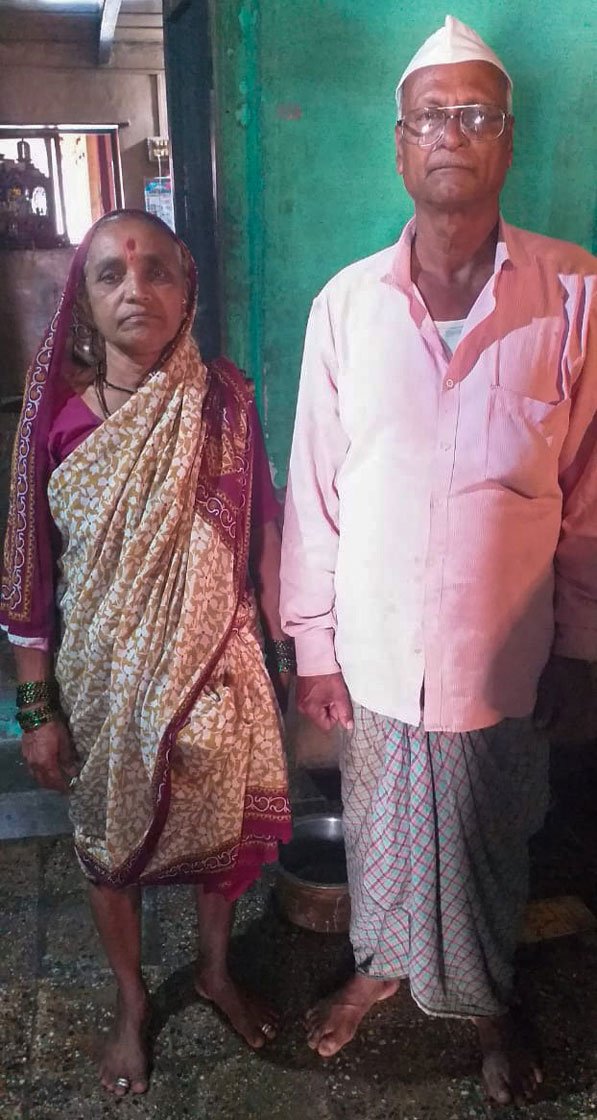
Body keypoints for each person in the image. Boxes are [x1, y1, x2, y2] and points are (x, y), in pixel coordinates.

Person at [280, 14, 597, 1106]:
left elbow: (592, 494)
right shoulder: (345, 306)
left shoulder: (573, 293)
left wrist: (585, 644)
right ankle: (379, 967)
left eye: (474, 116)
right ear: (398, 146)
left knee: (492, 837)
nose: (450, 134)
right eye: (430, 117)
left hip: (506, 651)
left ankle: (487, 999)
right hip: (373, 645)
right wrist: (312, 645)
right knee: (379, 829)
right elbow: (315, 494)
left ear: (507, 142)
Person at [1, 209, 294, 1096]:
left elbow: (265, 531)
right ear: (83, 307)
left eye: (157, 270)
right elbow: (30, 577)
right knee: (104, 844)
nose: (137, 288)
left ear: (187, 288)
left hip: (218, 662)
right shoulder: (55, 424)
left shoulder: (227, 402)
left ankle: (211, 971)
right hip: (100, 680)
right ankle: (132, 1003)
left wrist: (289, 654)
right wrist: (37, 709)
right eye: (110, 275)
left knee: (222, 837)